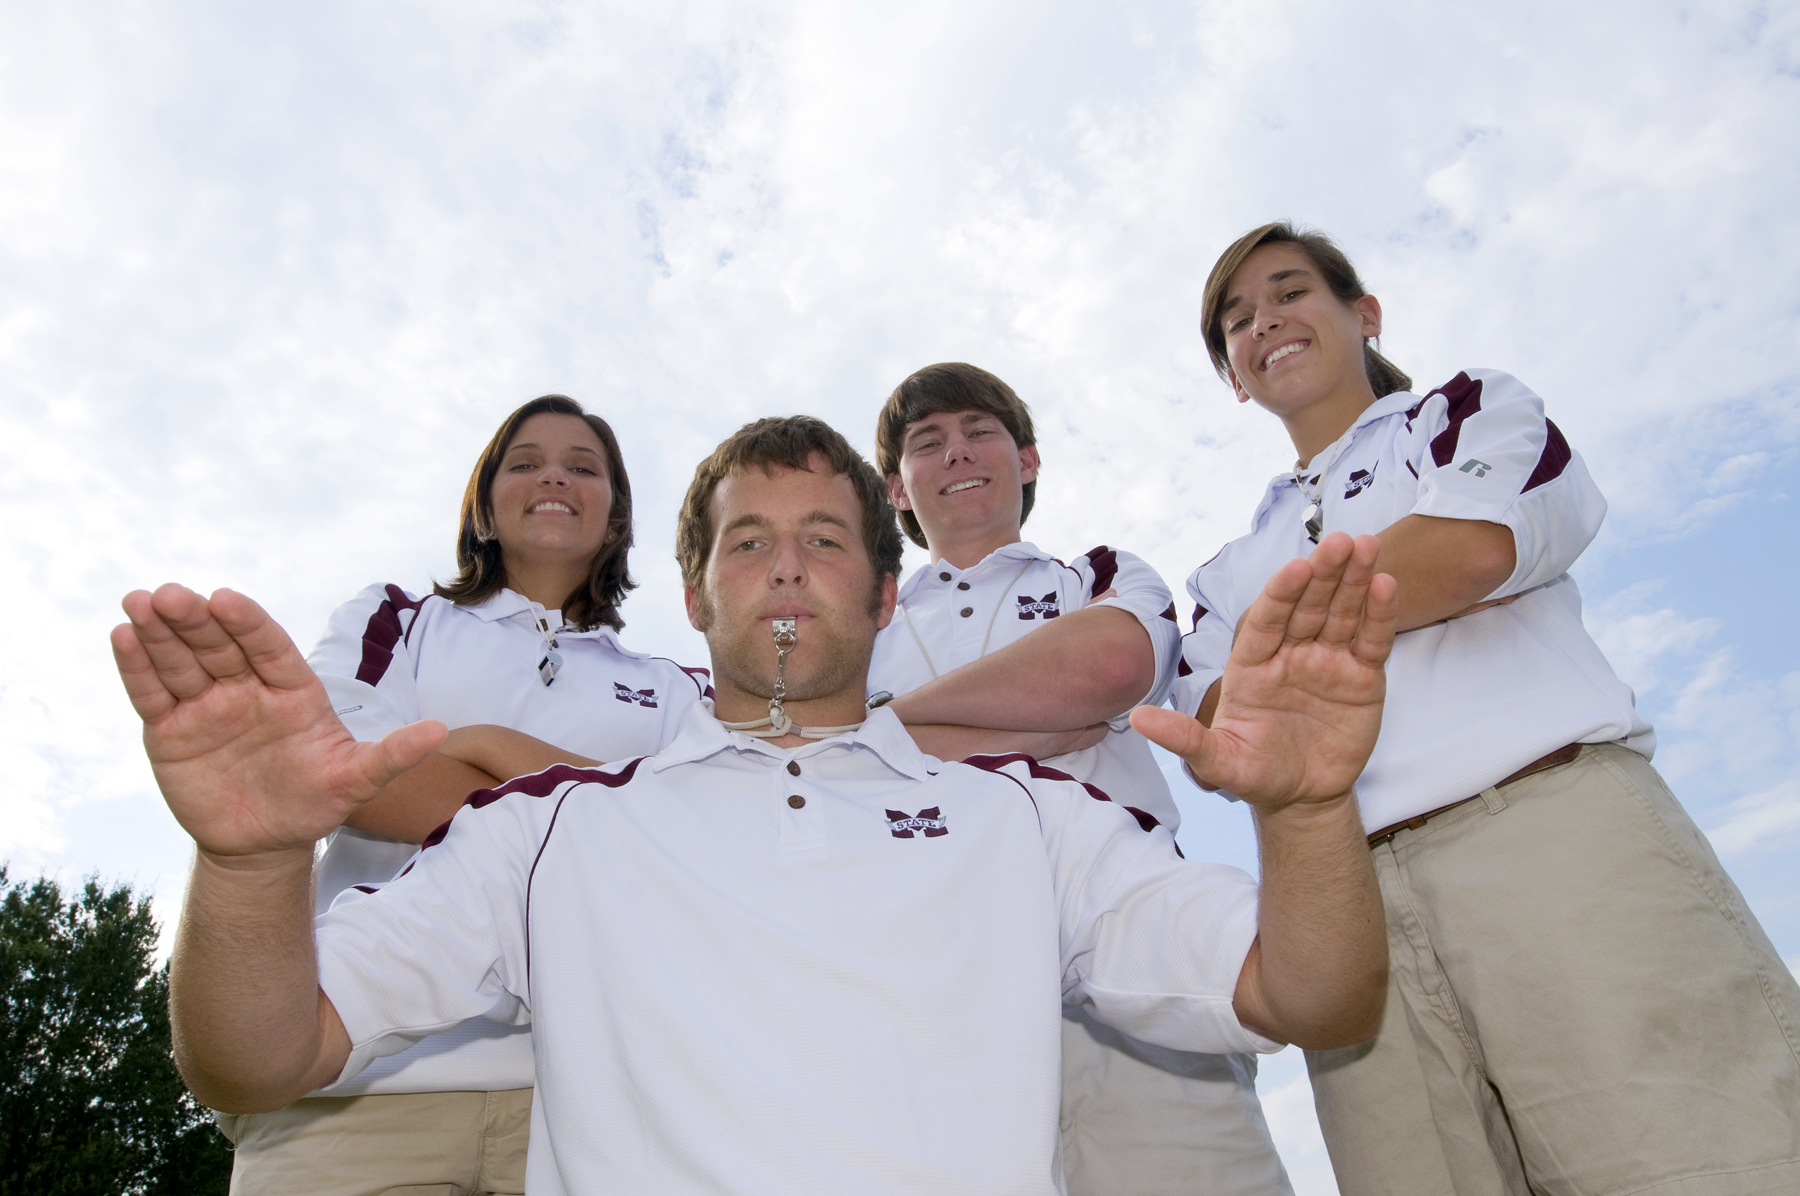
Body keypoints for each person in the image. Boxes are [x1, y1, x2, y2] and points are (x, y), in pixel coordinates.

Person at [114, 415, 1395, 1196]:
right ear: (693, 599)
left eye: (829, 538)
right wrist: (247, 860)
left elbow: (1312, 993)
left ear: (888, 601)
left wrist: (1308, 812)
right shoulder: (554, 828)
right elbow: (259, 1055)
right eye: (748, 539)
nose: (787, 559)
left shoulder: (1030, 819)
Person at [1178, 221, 1800, 1196]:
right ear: (1233, 378)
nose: (1265, 322)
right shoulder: (1218, 571)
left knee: (1696, 1164)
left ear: (1363, 312)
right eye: (1238, 320)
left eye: (1291, 292)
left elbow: (1472, 547)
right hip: (1345, 908)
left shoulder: (1463, 411)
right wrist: (1387, 577)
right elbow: (1232, 718)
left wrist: (1281, 634)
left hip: (1551, 841)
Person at [217, 394, 710, 1195]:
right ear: (484, 503)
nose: (555, 475)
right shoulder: (395, 620)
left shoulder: (676, 689)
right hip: (357, 1092)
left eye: (584, 467)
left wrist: (480, 748)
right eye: (525, 463)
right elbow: (341, 781)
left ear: (616, 518)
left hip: (591, 1113)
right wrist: (601, 809)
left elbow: (694, 845)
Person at [870, 362, 1289, 1195]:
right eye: (928, 442)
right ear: (895, 488)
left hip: (1135, 945)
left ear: (1026, 460)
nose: (957, 454)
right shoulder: (856, 625)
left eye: (979, 431)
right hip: (934, 982)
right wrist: (1040, 723)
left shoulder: (1096, 574)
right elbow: (819, 766)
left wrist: (878, 734)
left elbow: (1107, 667)